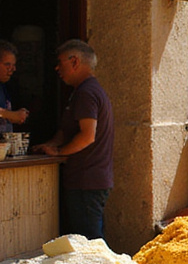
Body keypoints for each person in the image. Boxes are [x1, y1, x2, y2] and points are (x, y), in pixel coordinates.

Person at [34, 40, 113, 239]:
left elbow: (87, 136)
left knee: (89, 245)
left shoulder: (87, 92)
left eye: (61, 62)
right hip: (86, 180)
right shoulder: (82, 91)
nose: (57, 68)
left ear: (75, 61)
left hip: (86, 181)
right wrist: (52, 144)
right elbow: (67, 131)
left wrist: (60, 153)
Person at [0, 39, 28, 133]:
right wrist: (10, 115)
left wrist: (15, 115)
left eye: (13, 65)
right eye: (7, 64)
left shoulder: (4, 87)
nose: (12, 69)